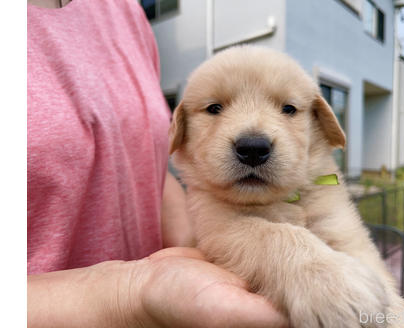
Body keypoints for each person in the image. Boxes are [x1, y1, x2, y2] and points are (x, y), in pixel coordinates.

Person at [27, 0, 287, 327]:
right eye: (215, 109)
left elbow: (145, 166)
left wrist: (201, 246)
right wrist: (131, 295)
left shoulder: (124, 9)